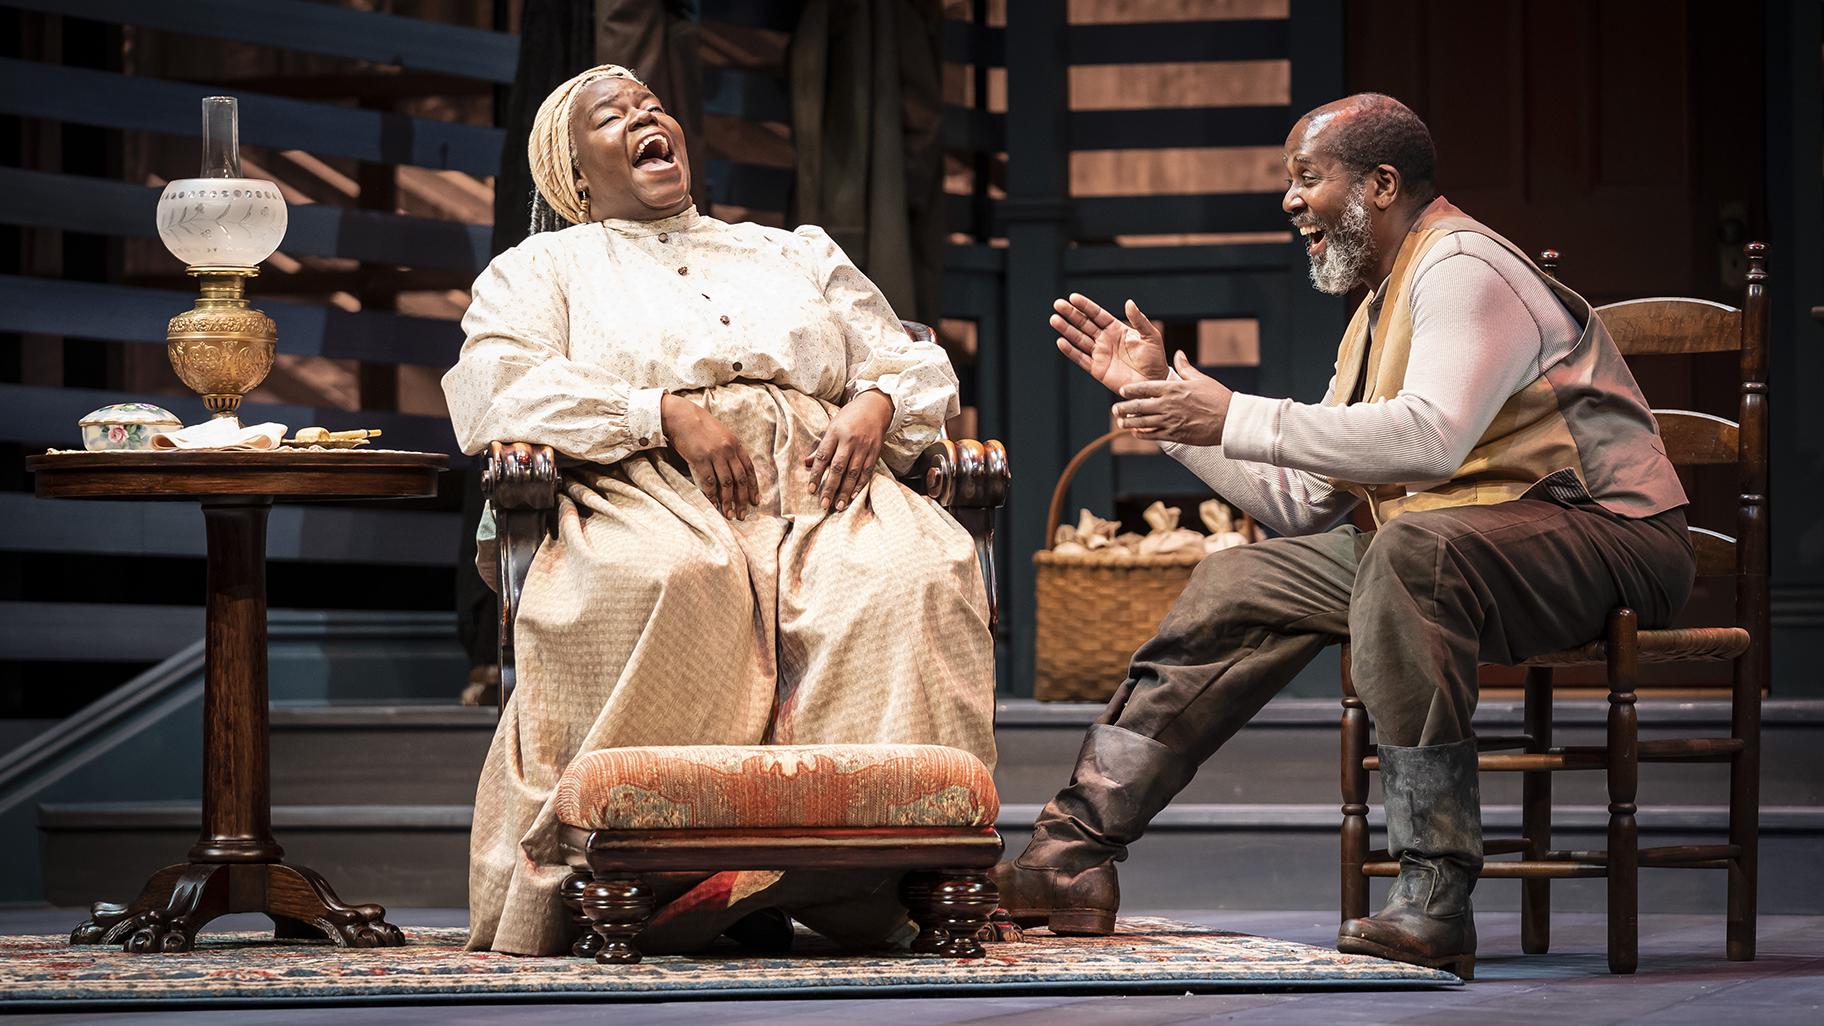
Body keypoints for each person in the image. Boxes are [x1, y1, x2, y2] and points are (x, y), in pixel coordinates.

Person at [995, 94, 1694, 979]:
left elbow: (1430, 439)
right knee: (1238, 581)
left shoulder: (1463, 267)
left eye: (1306, 178)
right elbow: (1301, 500)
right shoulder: (1373, 312)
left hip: (1610, 536)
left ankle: (1435, 894)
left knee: (1411, 555)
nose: (1290, 201)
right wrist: (1170, 412)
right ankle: (1070, 855)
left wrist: (1237, 410)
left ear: (1382, 183)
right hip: (1458, 550)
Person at [442, 64, 997, 957]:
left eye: (654, 107)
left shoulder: (794, 252)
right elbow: (498, 389)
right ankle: (642, 866)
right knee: (672, 577)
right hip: (649, 485)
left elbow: (910, 360)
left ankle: (877, 871)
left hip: (826, 482)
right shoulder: (544, 267)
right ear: (575, 175)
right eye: (612, 117)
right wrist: (657, 411)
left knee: (911, 578)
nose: (645, 118)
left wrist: (878, 406)